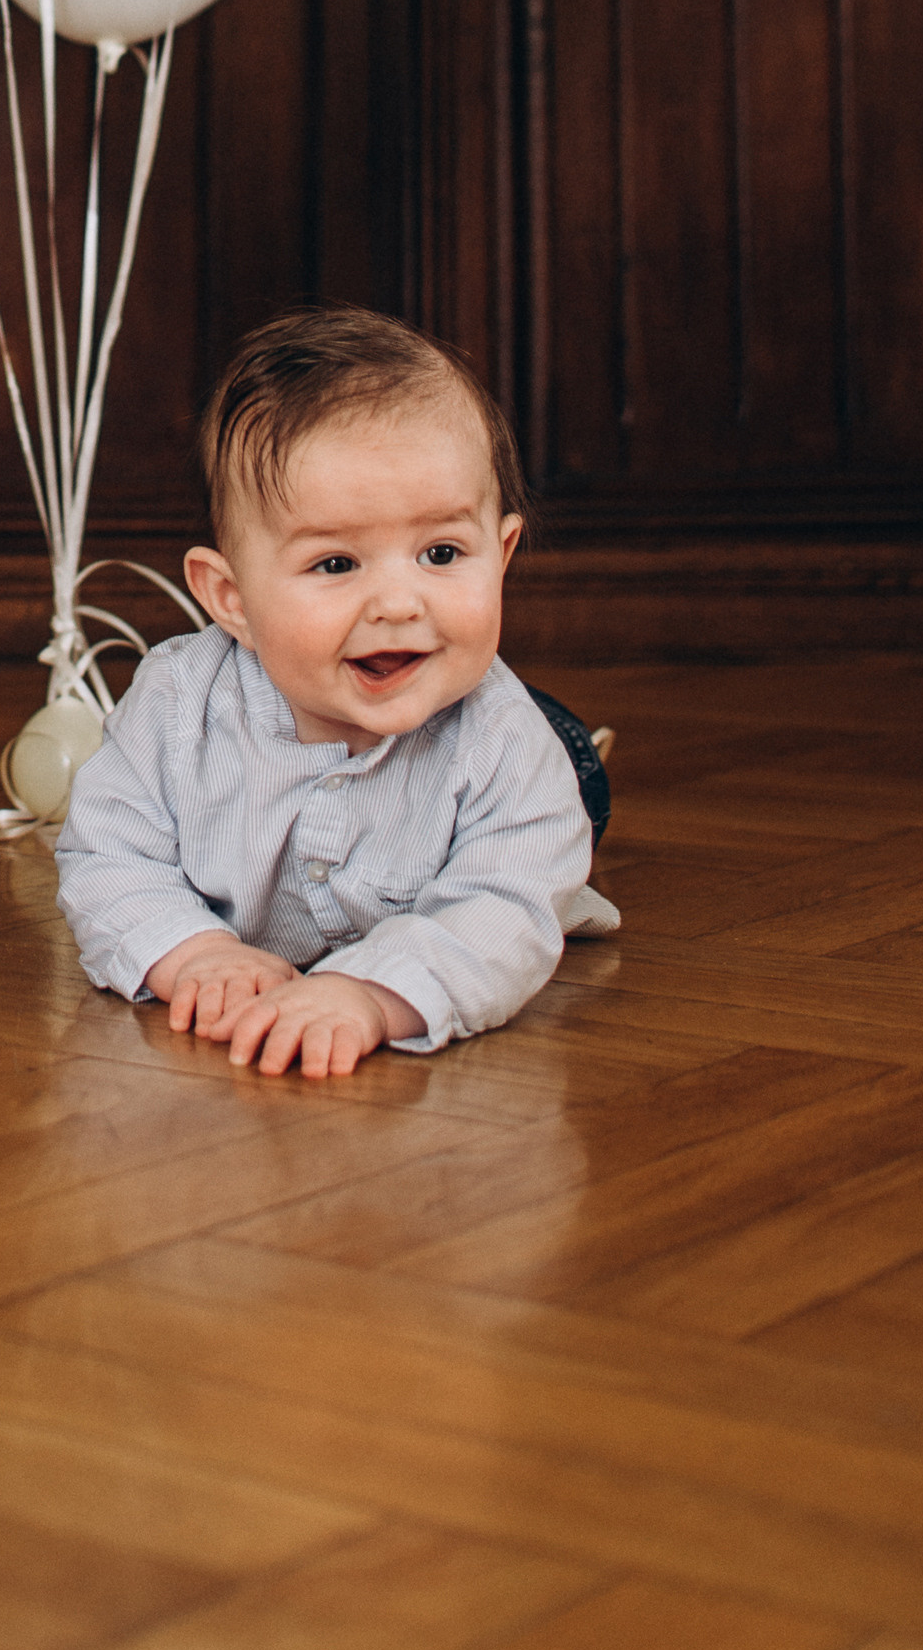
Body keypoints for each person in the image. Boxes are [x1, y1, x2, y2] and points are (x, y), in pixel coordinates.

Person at [55, 307, 618, 1078]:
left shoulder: (504, 741)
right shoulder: (179, 705)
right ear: (231, 600)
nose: (398, 604)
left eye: (441, 553)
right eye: (336, 565)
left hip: (547, 765)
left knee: (565, 783)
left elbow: (503, 909)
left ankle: (582, 755)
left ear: (504, 553)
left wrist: (373, 995)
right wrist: (193, 951)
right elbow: (107, 854)